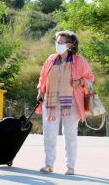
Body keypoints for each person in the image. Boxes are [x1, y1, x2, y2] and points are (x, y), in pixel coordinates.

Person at [36, 31, 94, 175]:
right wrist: (40, 90)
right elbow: (43, 76)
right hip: (50, 102)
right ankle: (48, 164)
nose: (57, 44)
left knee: (70, 135)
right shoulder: (51, 59)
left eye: (60, 42)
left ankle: (70, 167)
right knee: (49, 133)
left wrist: (80, 81)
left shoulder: (79, 61)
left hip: (72, 103)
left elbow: (90, 79)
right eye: (56, 41)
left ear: (70, 45)